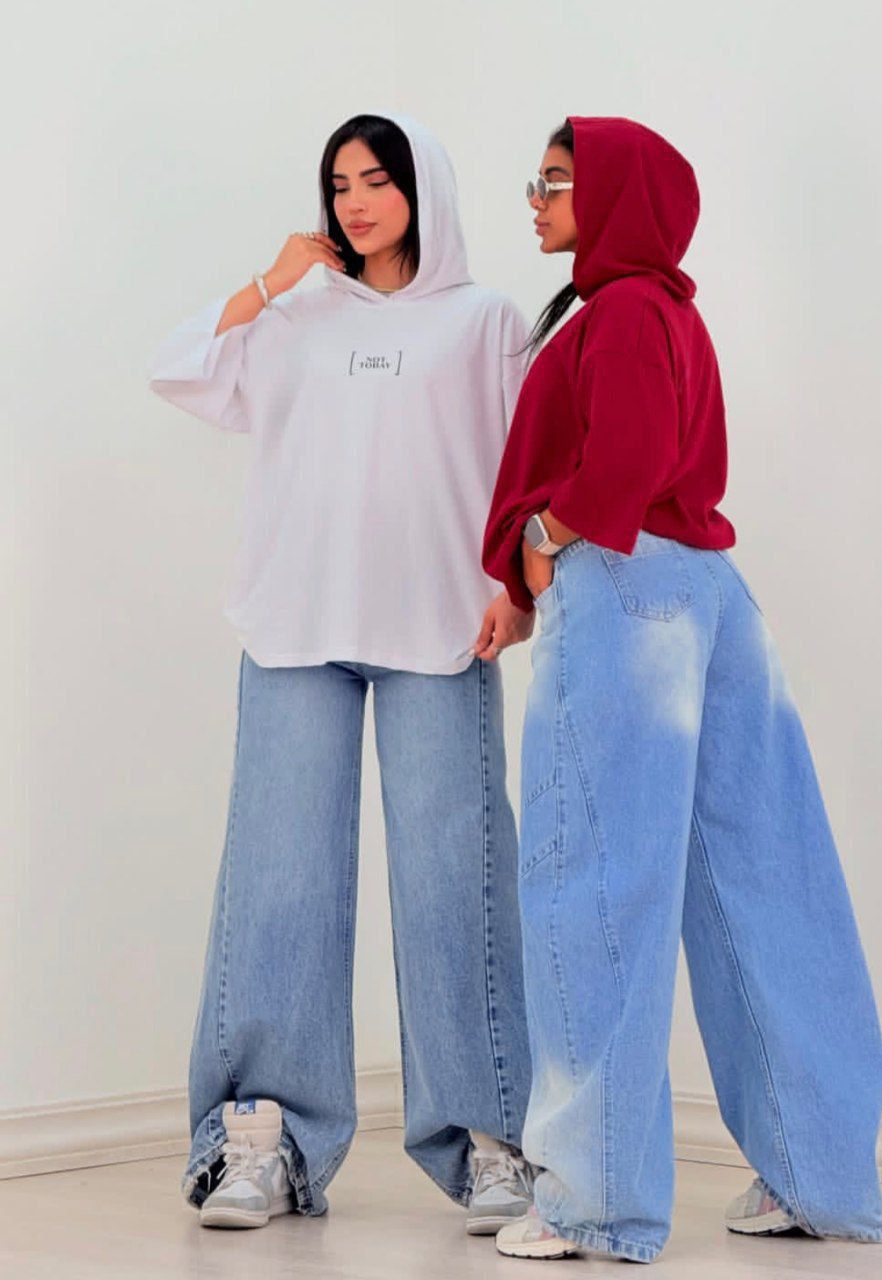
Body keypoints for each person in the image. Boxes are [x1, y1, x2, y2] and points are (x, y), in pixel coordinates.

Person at [481, 116, 882, 1263]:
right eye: (536, 181)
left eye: (556, 182)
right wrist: (530, 575)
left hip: (623, 596)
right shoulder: (669, 311)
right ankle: (820, 1174)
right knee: (764, 877)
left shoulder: (614, 311)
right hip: (712, 594)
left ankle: (593, 1199)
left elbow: (617, 467)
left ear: (615, 197)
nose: (536, 200)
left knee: (593, 882)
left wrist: (543, 537)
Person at [148, 111, 536, 1232]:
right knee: (280, 882)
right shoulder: (295, 318)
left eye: (377, 179)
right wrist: (268, 283)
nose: (355, 201)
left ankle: (491, 1141)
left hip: (442, 629)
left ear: (424, 190)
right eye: (339, 183)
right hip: (294, 624)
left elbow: (528, 465)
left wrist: (517, 591)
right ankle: (259, 1140)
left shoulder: (485, 321)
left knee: (454, 882)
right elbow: (177, 369)